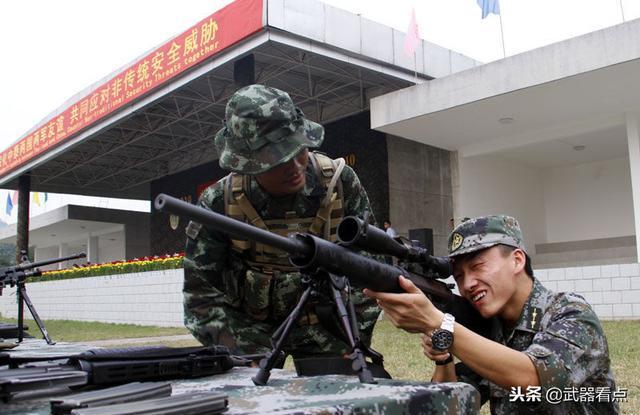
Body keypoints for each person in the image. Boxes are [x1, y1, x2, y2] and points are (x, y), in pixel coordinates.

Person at [183, 84, 380, 359]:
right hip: (248, 328)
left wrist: (352, 339)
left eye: (298, 150)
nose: (295, 167)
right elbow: (200, 294)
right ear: (247, 165)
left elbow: (371, 269)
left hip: (327, 324)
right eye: (276, 162)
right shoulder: (219, 202)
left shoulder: (341, 183)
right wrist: (234, 355)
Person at [365, 215, 618, 414]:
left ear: (517, 260)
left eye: (477, 266)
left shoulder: (571, 313)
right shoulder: (489, 328)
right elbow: (451, 407)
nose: (468, 284)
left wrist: (439, 323)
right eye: (460, 276)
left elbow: (535, 380)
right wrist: (443, 358)